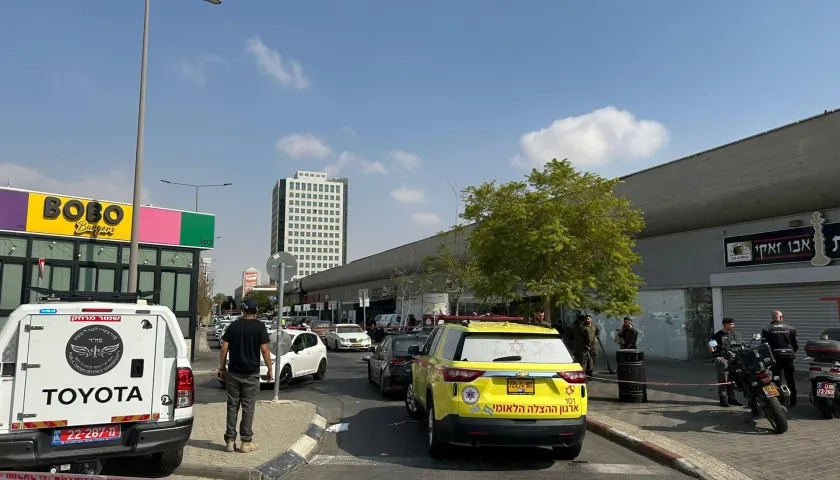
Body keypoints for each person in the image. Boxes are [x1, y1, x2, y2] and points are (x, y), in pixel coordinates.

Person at [219, 299, 273, 453]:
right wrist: (269, 368)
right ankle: (246, 442)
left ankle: (230, 441)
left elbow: (224, 348)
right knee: (248, 408)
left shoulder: (233, 326)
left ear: (242, 310)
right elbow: (265, 350)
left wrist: (222, 369)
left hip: (234, 373)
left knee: (232, 406)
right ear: (256, 311)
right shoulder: (259, 327)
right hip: (251, 374)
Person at [761, 310, 799, 406]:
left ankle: (777, 402)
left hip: (774, 358)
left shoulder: (766, 329)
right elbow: (796, 345)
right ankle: (793, 401)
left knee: (774, 380)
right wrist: (790, 352)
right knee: (790, 379)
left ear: (772, 318)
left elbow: (764, 346)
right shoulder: (791, 328)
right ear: (781, 318)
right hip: (788, 357)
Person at [709, 317, 743, 407]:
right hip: (723, 360)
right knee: (723, 380)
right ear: (725, 324)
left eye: (733, 324)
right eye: (731, 324)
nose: (733, 325)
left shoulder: (733, 334)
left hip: (733, 359)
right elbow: (710, 344)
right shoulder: (719, 335)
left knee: (731, 380)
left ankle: (732, 399)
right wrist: (716, 356)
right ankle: (723, 400)